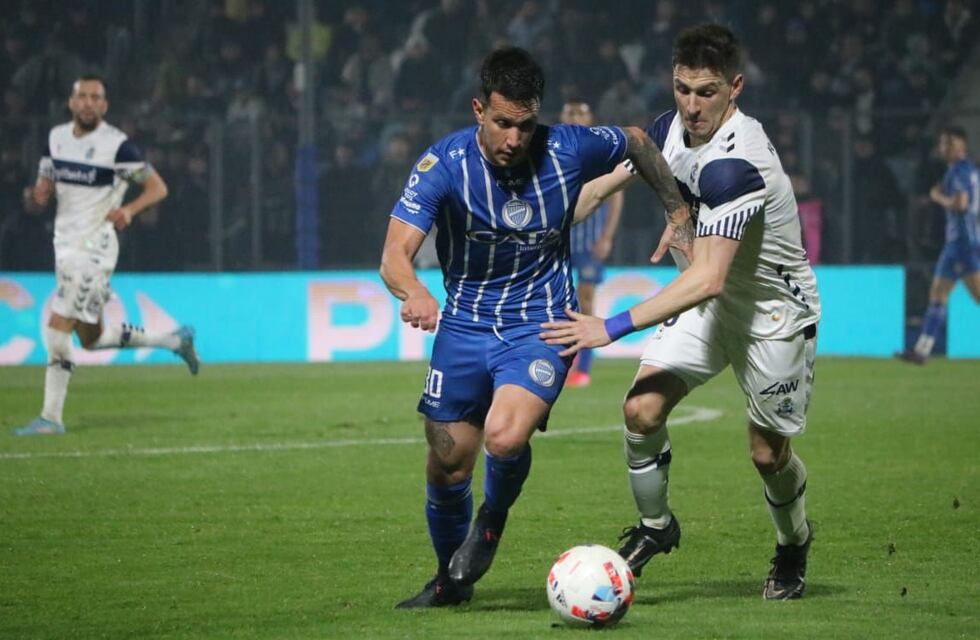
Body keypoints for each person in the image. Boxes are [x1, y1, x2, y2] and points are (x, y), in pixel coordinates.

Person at [380, 46, 688, 608]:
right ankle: (450, 582)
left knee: (504, 434)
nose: (514, 139)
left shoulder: (568, 147)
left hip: (542, 323)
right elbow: (394, 256)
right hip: (465, 325)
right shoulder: (443, 165)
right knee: (448, 463)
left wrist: (677, 211)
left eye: (524, 125)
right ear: (479, 109)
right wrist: (416, 291)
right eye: (502, 124)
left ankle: (492, 520)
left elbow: (639, 141)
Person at [542, 24, 821, 600]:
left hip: (771, 314)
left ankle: (793, 544)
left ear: (735, 88)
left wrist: (610, 325)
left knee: (767, 454)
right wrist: (543, 223)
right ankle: (656, 528)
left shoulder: (736, 164)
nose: (692, 106)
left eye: (707, 92)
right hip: (708, 306)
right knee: (641, 410)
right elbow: (602, 186)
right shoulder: (669, 131)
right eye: (682, 88)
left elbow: (709, 274)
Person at [15, 75, 199, 436]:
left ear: (105, 105)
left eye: (95, 97)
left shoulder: (118, 147)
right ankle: (174, 341)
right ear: (71, 103)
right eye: (81, 96)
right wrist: (35, 196)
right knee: (91, 337)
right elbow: (43, 193)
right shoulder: (56, 138)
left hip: (94, 250)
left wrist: (130, 211)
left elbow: (158, 188)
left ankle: (50, 419)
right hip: (64, 247)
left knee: (57, 329)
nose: (87, 103)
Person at [897, 126, 979, 364]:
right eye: (942, 144)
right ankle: (922, 350)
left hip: (963, 243)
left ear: (961, 146)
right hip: (957, 243)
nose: (944, 148)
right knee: (938, 294)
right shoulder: (963, 170)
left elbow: (961, 204)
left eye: (949, 143)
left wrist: (937, 197)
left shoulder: (960, 171)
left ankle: (922, 349)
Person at [560, 100, 625, 388]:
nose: (575, 117)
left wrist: (607, 236)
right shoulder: (553, 150)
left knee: (585, 300)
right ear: (561, 117)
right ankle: (558, 361)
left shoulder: (600, 153)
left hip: (589, 244)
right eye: (570, 112)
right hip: (557, 242)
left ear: (591, 118)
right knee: (556, 304)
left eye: (581, 113)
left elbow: (616, 194)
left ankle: (583, 367)